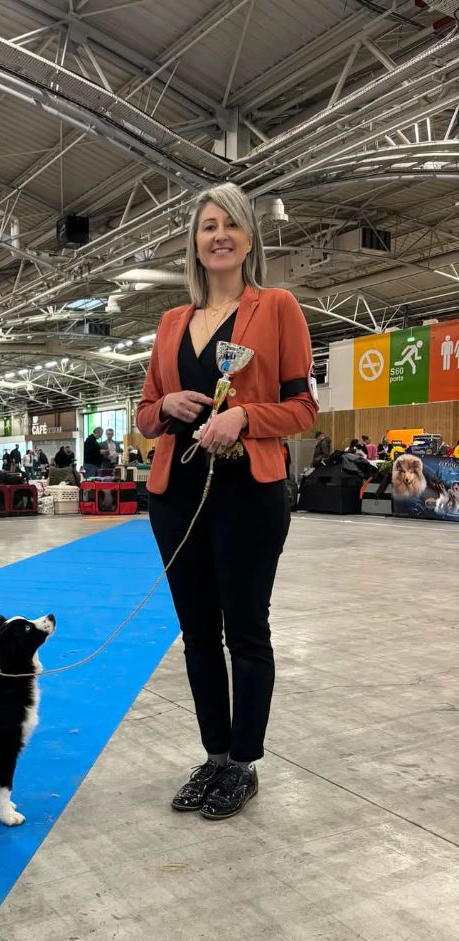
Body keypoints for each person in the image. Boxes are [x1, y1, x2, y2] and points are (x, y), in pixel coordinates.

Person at [136, 182, 316, 821]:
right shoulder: (169, 323)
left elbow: (302, 408)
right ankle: (213, 755)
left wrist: (243, 419)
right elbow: (143, 416)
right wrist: (165, 407)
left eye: (230, 225)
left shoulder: (277, 308)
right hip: (176, 496)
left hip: (248, 491)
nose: (218, 235)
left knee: (244, 628)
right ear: (194, 241)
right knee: (196, 634)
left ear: (248, 239)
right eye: (208, 225)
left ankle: (243, 762)